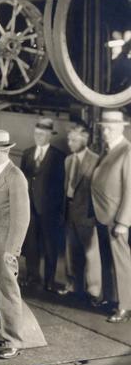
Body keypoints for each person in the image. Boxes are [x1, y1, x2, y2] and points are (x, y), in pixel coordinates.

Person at [0, 130, 46, 359]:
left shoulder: (15, 177)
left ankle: (15, 341)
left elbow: (21, 218)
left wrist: (12, 251)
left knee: (8, 294)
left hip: (3, 248)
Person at [91, 110, 131, 323]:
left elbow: (130, 189)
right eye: (103, 128)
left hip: (116, 219)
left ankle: (125, 306)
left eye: (109, 128)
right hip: (102, 215)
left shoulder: (127, 151)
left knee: (121, 262)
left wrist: (124, 222)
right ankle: (110, 298)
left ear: (121, 127)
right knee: (106, 261)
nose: (105, 132)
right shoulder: (107, 150)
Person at [20, 117, 65, 291]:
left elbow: (61, 187)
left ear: (49, 136)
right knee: (31, 245)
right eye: (36, 133)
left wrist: (59, 211)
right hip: (30, 208)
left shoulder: (59, 157)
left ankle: (49, 281)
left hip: (49, 211)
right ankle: (32, 277)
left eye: (42, 134)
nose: (38, 136)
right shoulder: (27, 153)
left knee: (49, 246)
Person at [59, 124, 102, 305]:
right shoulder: (68, 160)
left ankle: (94, 292)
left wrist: (93, 216)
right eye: (69, 139)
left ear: (84, 141)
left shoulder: (96, 160)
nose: (70, 143)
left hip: (87, 216)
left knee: (91, 255)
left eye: (74, 140)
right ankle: (72, 285)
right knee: (70, 252)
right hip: (69, 213)